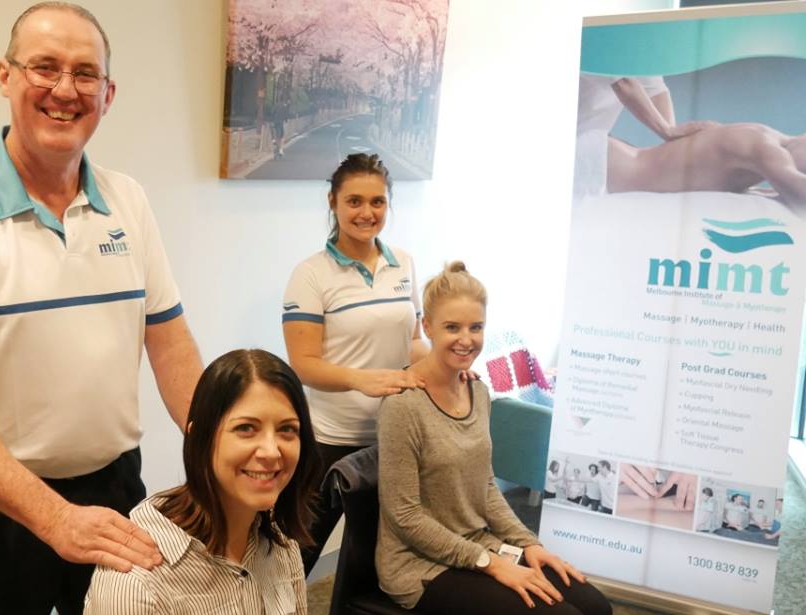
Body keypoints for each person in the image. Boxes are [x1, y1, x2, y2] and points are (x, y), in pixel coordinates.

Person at [0, 4, 203, 613]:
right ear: (5, 76)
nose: (64, 89)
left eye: (85, 73)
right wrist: (54, 518)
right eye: (44, 67)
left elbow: (171, 345)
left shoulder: (129, 201)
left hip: (112, 490)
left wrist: (221, 456)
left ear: (108, 94)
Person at [376, 262, 611, 614]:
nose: (466, 339)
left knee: (595, 606)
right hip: (419, 565)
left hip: (479, 545)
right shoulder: (402, 406)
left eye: (476, 327)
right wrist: (490, 563)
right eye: (452, 327)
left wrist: (527, 544)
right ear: (427, 327)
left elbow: (485, 486)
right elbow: (405, 516)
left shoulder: (478, 391)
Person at [84, 349, 318, 614]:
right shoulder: (136, 584)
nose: (271, 451)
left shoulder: (279, 539)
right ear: (200, 439)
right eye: (246, 428)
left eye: (287, 429)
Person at [282, 153, 427, 574]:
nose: (367, 213)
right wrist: (361, 380)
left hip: (393, 436)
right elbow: (304, 364)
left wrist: (447, 361)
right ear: (333, 202)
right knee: (294, 557)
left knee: (381, 562)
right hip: (330, 441)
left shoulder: (404, 263)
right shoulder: (311, 274)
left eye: (377, 202)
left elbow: (413, 343)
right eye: (354, 201)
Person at [607, 123, 806, 209]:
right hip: (612, 165)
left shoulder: (763, 137)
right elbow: (800, 197)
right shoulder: (766, 147)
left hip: (614, 160)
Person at [574, 74, 712, 198]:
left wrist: (673, 137)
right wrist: (667, 131)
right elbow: (623, 83)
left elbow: (655, 88)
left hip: (590, 138)